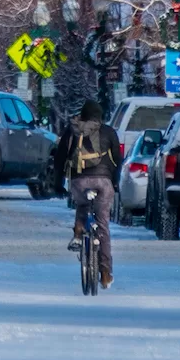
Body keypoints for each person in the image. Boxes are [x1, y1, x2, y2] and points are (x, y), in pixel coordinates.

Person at [59, 99, 121, 288]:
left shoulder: (73, 130)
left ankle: (78, 231)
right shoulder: (109, 132)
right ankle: (105, 273)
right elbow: (118, 160)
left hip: (79, 181)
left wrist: (58, 182)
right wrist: (115, 183)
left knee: (82, 204)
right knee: (103, 226)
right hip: (104, 182)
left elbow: (60, 157)